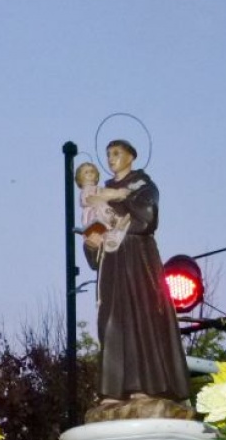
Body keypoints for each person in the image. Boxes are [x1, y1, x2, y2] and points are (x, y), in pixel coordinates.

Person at [82, 140, 191, 410]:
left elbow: (147, 218)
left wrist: (118, 197)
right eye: (108, 155)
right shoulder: (100, 192)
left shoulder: (143, 186)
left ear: (131, 157)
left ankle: (146, 385)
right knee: (112, 321)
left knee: (141, 317)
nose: (111, 159)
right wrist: (91, 242)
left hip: (138, 259)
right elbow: (94, 227)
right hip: (112, 262)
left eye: (117, 153)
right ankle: (114, 388)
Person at [75, 161, 129, 254]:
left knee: (112, 225)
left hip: (102, 216)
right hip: (96, 215)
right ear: (80, 178)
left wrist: (119, 195)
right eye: (86, 172)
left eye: (92, 171)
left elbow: (107, 193)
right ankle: (116, 227)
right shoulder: (88, 190)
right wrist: (118, 193)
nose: (90, 173)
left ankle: (112, 240)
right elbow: (100, 195)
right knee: (105, 217)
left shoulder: (96, 189)